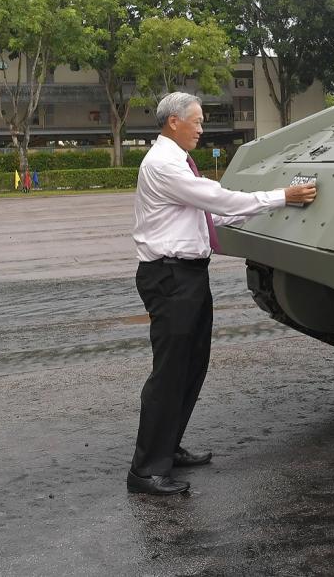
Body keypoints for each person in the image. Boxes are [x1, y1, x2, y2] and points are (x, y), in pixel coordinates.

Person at [127, 91, 317, 496]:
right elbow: (219, 199)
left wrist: (267, 204)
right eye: (196, 121)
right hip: (170, 277)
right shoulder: (164, 164)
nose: (201, 128)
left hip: (188, 275)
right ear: (173, 122)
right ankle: (145, 471)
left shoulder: (177, 160)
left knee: (192, 365)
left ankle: (167, 447)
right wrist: (281, 196)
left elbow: (217, 211)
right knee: (170, 373)